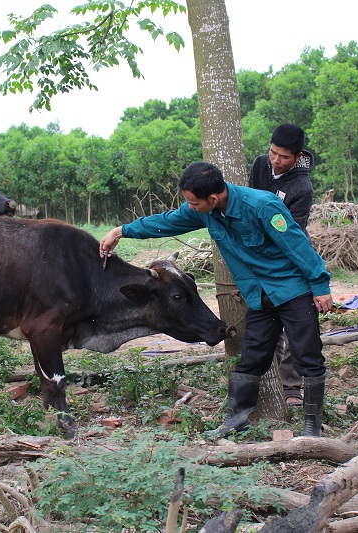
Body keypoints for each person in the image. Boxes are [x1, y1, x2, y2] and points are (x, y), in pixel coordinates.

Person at [99, 161, 333, 438]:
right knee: (252, 357)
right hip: (259, 295)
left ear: (213, 198)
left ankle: (311, 426)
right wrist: (120, 231)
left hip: (292, 290)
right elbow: (166, 221)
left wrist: (320, 284)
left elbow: (297, 245)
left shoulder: (262, 206)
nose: (190, 208)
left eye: (193, 203)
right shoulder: (205, 211)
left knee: (307, 356)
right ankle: (236, 419)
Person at [248, 123, 315, 407]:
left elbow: (292, 232)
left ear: (297, 156)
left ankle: (291, 387)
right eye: (273, 152)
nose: (276, 160)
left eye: (283, 157)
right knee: (265, 317)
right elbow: (250, 202)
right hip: (257, 255)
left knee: (292, 324)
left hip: (289, 257)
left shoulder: (302, 187)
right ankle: (265, 380)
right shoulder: (260, 165)